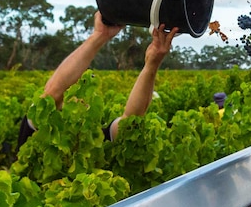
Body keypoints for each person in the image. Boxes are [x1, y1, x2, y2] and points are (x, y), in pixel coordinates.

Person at [17, 11, 178, 148]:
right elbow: (53, 92)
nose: (81, 99)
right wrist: (99, 36)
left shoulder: (95, 136)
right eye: (74, 89)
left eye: (86, 92)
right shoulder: (41, 124)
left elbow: (131, 120)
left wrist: (152, 63)